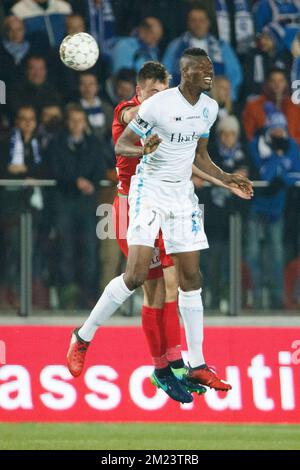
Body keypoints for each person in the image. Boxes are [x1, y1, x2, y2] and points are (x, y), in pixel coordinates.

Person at [67, 48, 253, 399]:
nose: (157, 97)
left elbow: (191, 159)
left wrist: (226, 179)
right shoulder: (133, 109)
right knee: (141, 281)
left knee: (178, 282)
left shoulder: (200, 110)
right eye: (152, 92)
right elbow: (129, 131)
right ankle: (95, 340)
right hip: (132, 202)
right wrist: (154, 112)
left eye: (161, 90)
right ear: (141, 92)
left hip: (177, 197)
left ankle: (180, 365)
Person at [47, 104, 107, 308]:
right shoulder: (57, 144)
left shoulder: (94, 144)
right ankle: (67, 296)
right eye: (72, 120)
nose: (76, 124)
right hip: (64, 203)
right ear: (67, 122)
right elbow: (54, 170)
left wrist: (92, 182)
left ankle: (88, 296)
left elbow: (101, 168)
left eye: (80, 120)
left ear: (85, 123)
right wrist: (75, 181)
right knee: (65, 250)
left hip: (87, 205)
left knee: (90, 250)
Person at [246, 103, 300, 309]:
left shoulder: (291, 145)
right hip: (256, 206)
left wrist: (282, 176)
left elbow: (296, 174)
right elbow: (262, 174)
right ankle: (257, 298)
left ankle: (278, 300)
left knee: (276, 254)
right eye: (275, 128)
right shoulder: (255, 144)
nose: (279, 132)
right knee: (253, 253)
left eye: (282, 128)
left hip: (277, 208)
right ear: (269, 128)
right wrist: (277, 160)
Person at [163, 6, 242, 101]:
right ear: (188, 23)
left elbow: (235, 74)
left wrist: (227, 98)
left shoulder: (221, 46)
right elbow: (165, 74)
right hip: (184, 102)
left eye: (201, 20)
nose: (198, 24)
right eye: (194, 20)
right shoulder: (175, 46)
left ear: (208, 22)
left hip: (216, 102)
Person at [243, 67, 300, 145]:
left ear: (286, 83)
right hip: (263, 151)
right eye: (273, 81)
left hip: (292, 153)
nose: (277, 85)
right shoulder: (253, 106)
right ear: (267, 83)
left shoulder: (295, 107)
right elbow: (249, 135)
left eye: (281, 81)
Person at [0, 16, 32, 87]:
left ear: (24, 30)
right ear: (5, 32)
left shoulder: (32, 49)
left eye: (19, 30)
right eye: (11, 30)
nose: (15, 34)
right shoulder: (1, 51)